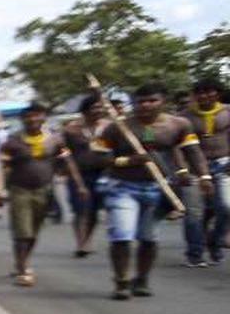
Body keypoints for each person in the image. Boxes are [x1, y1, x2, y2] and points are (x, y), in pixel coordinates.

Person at [89, 82, 213, 299]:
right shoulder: (117, 127)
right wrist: (127, 160)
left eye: (152, 100)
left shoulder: (178, 125)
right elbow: (97, 158)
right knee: (122, 235)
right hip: (122, 187)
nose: (145, 105)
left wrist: (202, 176)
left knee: (148, 237)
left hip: (159, 188)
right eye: (140, 101)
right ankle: (122, 282)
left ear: (164, 102)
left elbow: (193, 151)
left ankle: (142, 279)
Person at [0, 103, 74, 287]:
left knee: (33, 232)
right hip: (19, 190)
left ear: (43, 117)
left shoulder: (55, 140)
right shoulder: (12, 142)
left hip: (45, 191)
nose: (33, 119)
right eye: (29, 116)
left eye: (37, 115)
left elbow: (66, 161)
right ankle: (23, 269)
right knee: (22, 231)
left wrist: (75, 179)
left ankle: (22, 260)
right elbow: (1, 168)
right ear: (23, 119)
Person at [183, 78, 230, 266]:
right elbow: (177, 145)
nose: (204, 96)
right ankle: (195, 254)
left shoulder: (227, 112)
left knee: (226, 208)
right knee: (194, 213)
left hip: (224, 165)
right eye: (199, 92)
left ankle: (214, 242)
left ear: (217, 93)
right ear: (194, 95)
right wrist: (180, 170)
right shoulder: (184, 116)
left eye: (209, 92)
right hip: (193, 168)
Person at [63, 94, 114, 258]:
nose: (99, 111)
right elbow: (65, 154)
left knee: (94, 210)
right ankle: (80, 242)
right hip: (79, 174)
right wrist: (73, 177)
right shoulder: (71, 130)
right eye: (94, 108)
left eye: (101, 107)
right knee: (81, 209)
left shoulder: (110, 127)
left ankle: (88, 239)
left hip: (104, 173)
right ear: (85, 111)